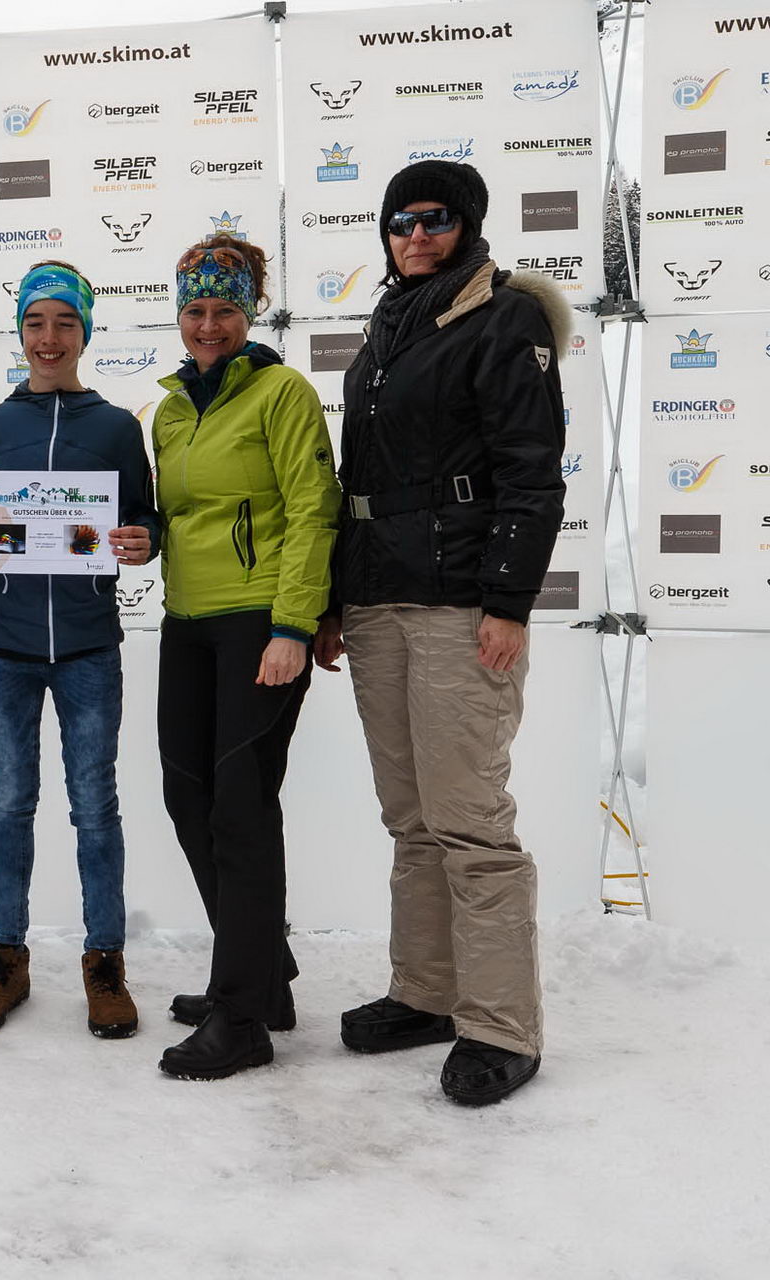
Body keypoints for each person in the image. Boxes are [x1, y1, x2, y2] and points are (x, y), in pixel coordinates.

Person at [315, 161, 567, 1106]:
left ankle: (503, 1026)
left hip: (463, 602)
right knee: (412, 820)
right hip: (381, 599)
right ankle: (425, 994)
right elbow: (361, 477)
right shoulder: (389, 323)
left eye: (434, 220)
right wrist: (340, 599)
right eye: (399, 221)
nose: (414, 235)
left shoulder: (505, 318)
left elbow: (532, 472)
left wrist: (508, 600)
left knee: (470, 824)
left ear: (467, 226)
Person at [0, 261, 159, 1038]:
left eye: (66, 323)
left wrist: (141, 540)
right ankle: (7, 959)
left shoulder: (116, 426)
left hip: (90, 647)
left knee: (96, 807)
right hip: (4, 647)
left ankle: (105, 963)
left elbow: (143, 519)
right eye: (37, 323)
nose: (50, 337)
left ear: (85, 333)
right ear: (21, 332)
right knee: (8, 804)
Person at [149, 235, 340, 1080]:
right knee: (188, 798)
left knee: (241, 811)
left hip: (259, 622)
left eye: (224, 309)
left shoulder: (282, 392)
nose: (208, 325)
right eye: (195, 310)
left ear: (250, 311)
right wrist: (133, 537)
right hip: (186, 620)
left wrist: (294, 626)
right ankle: (263, 977)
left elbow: (314, 509)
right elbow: (171, 517)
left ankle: (242, 1019)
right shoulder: (170, 410)